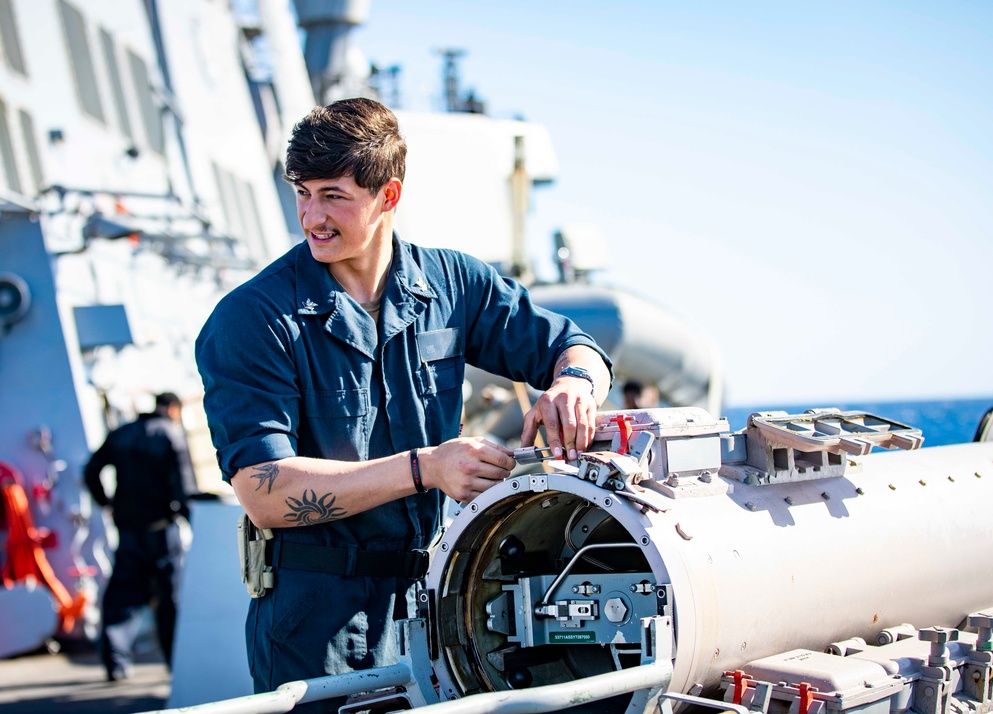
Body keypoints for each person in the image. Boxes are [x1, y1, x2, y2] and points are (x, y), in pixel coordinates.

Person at [195, 97, 613, 709]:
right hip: (319, 626)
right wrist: (428, 467)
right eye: (302, 193)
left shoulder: (453, 286)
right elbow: (265, 491)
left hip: (448, 608)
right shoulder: (253, 321)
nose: (312, 216)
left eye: (333, 195)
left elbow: (574, 346)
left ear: (388, 196)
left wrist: (574, 385)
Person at [83, 391, 197, 682]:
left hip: (129, 531)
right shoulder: (171, 435)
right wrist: (192, 521)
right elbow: (183, 486)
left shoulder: (121, 433)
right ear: (173, 408)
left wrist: (106, 502)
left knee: (121, 596)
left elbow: (91, 470)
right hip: (162, 532)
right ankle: (176, 663)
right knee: (170, 599)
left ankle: (116, 663)